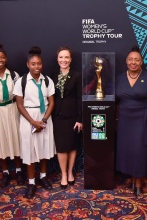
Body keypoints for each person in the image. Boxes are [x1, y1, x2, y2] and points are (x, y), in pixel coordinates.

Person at [116, 45, 147, 197]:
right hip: (124, 120)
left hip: (142, 119)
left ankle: (139, 181)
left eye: (137, 60)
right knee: (128, 150)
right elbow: (114, 100)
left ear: (141, 62)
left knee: (140, 150)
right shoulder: (119, 78)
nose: (133, 62)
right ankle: (132, 177)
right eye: (130, 59)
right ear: (126, 61)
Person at [13, 46, 55, 199]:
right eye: (33, 64)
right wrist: (33, 122)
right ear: (28, 65)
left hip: (44, 117)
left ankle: (43, 177)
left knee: (44, 148)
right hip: (28, 118)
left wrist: (43, 121)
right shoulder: (21, 82)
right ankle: (31, 182)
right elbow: (19, 104)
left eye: (39, 64)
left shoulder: (47, 81)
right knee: (30, 151)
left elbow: (51, 102)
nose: (36, 67)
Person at [0, 43, 24, 188]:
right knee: (0, 142)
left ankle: (19, 171)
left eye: (2, 57)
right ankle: (6, 172)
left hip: (12, 109)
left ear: (6, 59)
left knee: (16, 140)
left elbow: (20, 97)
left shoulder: (14, 75)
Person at [52, 47, 82, 189]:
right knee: (61, 147)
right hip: (57, 116)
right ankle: (63, 174)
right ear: (57, 59)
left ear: (70, 59)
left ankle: (70, 172)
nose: (63, 60)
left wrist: (80, 118)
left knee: (72, 145)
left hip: (73, 116)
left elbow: (80, 98)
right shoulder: (52, 75)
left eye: (66, 57)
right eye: (61, 57)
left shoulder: (77, 75)